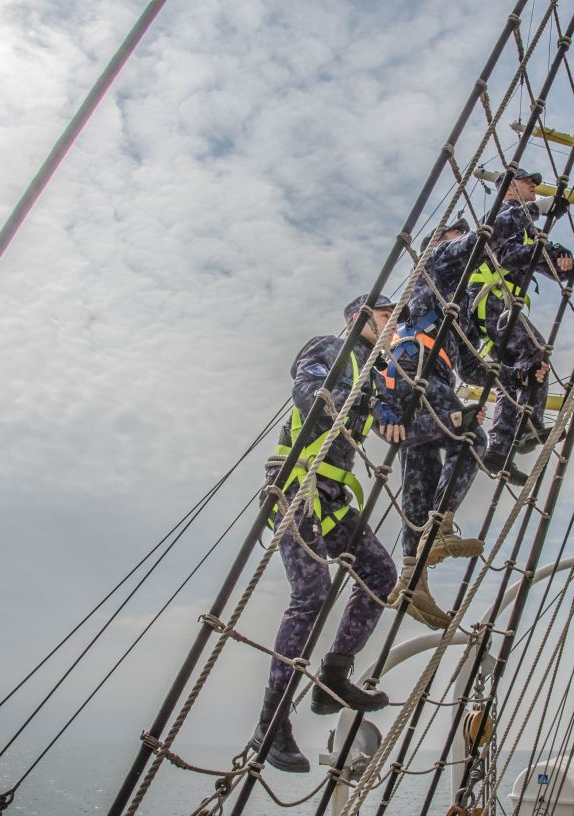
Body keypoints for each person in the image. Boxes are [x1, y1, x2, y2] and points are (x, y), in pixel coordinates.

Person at [250, 294, 400, 774]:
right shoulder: (332, 349)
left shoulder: (374, 379)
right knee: (310, 597)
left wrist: (400, 418)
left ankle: (333, 676)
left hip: (333, 501)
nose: (392, 325)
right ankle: (270, 725)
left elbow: (383, 422)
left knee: (380, 575)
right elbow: (308, 387)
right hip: (297, 492)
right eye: (384, 317)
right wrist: (327, 397)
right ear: (359, 320)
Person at [463, 169, 574, 481]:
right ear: (509, 186)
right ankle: (528, 428)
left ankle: (499, 451)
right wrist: (546, 247)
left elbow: (558, 269)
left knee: (518, 377)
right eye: (528, 181)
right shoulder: (503, 215)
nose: (534, 186)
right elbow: (504, 252)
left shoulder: (526, 231)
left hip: (499, 307)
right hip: (487, 301)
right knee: (535, 354)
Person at [377, 220, 488, 630]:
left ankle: (412, 579)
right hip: (415, 370)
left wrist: (512, 374)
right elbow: (469, 248)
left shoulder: (450, 308)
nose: (459, 243)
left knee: (420, 473)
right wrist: (509, 216)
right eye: (454, 236)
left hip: (422, 377)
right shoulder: (433, 267)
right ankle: (440, 528)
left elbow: (471, 368)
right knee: (470, 435)